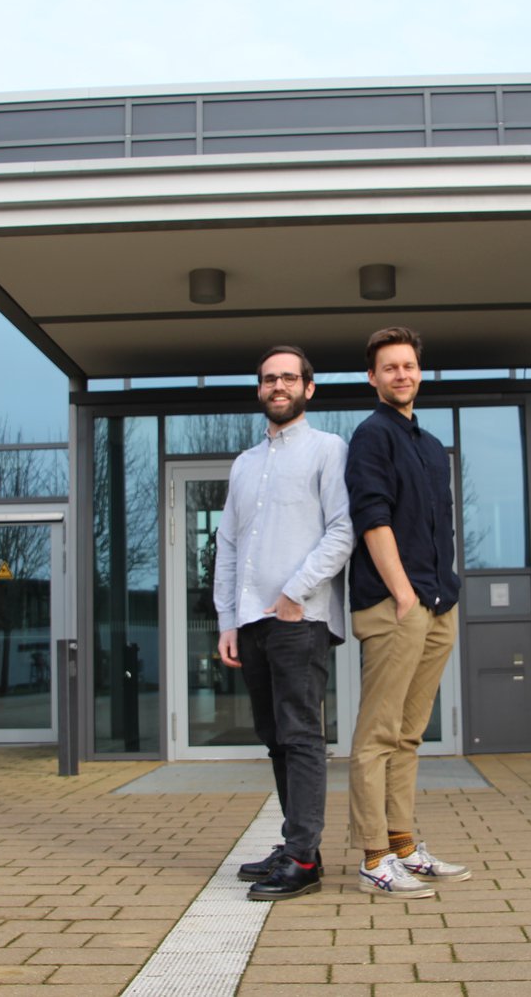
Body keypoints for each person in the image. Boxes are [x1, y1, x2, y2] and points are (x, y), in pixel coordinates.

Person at [214, 345, 352, 900]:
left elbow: (342, 530)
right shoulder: (244, 464)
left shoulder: (328, 450)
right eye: (269, 379)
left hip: (301, 618)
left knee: (300, 737)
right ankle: (298, 843)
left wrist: (295, 593)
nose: (278, 386)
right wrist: (227, 617)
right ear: (259, 389)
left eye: (289, 378)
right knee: (275, 738)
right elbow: (228, 545)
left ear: (308, 389)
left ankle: (304, 860)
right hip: (250, 623)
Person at [345, 326, 471, 898]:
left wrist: (442, 593)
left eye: (409, 365)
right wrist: (402, 594)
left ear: (420, 371)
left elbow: (437, 528)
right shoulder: (372, 436)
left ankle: (403, 846)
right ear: (373, 378)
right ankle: (374, 856)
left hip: (438, 604)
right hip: (397, 604)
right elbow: (373, 519)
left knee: (410, 736)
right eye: (390, 367)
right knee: (378, 735)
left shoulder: (430, 445)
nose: (402, 374)